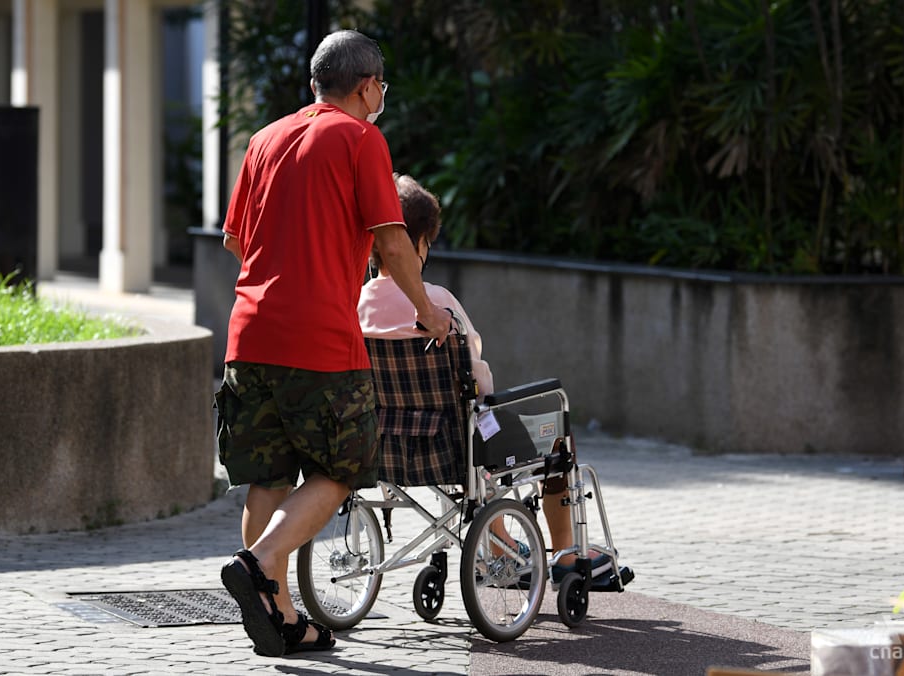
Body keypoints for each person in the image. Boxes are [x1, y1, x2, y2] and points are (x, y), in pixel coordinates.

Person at [215, 30, 452, 658]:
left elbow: (236, 242)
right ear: (368, 86)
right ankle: (260, 565)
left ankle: (283, 619)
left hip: (248, 333)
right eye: (382, 85)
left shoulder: (264, 139)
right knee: (343, 469)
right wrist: (427, 312)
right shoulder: (360, 138)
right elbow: (393, 241)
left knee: (266, 477)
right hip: (318, 340)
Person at [357, 173, 609, 582]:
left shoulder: (358, 304)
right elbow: (475, 369)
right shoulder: (436, 303)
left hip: (386, 441)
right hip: (460, 439)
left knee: (485, 436)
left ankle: (498, 542)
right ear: (417, 243)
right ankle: (564, 552)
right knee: (554, 431)